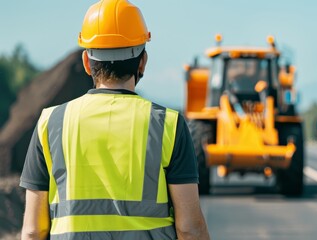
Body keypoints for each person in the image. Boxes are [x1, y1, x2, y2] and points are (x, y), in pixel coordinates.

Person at [19, 0, 210, 239]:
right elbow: (189, 229)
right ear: (143, 62)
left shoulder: (51, 122)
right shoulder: (168, 124)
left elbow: (33, 231)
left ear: (87, 63)